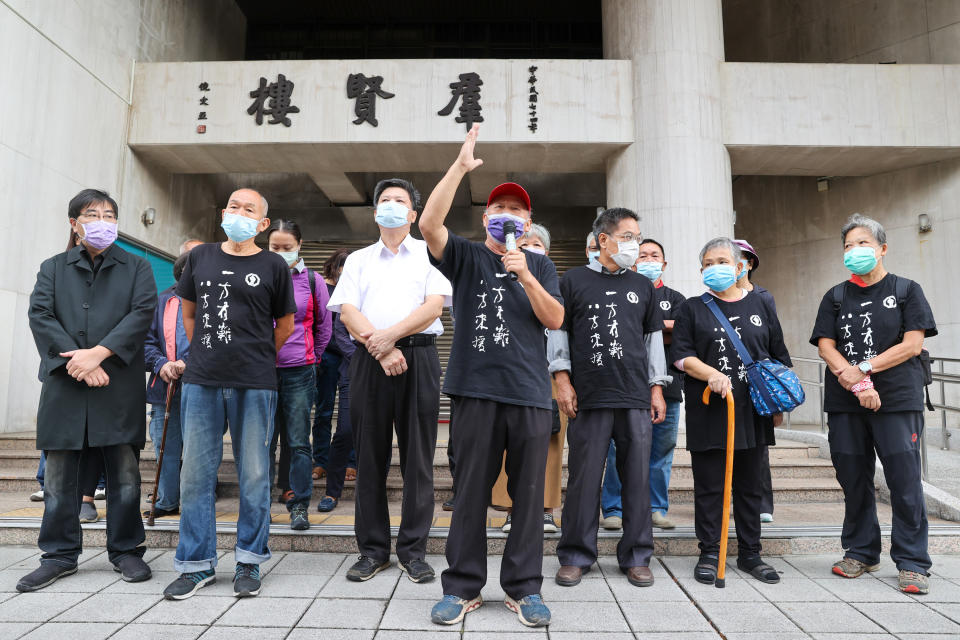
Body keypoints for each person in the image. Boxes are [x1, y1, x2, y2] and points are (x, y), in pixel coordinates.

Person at [420, 124, 563, 628]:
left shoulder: (541, 268)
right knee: (471, 493)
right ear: (487, 217)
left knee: (527, 499)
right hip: (474, 391)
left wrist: (524, 272)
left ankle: (524, 590)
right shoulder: (466, 256)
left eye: (517, 211)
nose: (508, 216)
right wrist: (460, 167)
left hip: (528, 394)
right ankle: (461, 588)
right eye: (500, 209)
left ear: (528, 223)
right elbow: (429, 225)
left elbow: (554, 319)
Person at [19, 189, 157, 592]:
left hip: (115, 382)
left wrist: (97, 355)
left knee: (125, 474)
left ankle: (127, 550)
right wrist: (76, 364)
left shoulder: (137, 267)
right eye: (92, 214)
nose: (102, 221)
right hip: (67, 384)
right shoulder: (53, 267)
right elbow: (40, 315)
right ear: (74, 222)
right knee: (59, 477)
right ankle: (59, 555)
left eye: (110, 214)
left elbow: (141, 314)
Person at [163, 188, 296, 600]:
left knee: (254, 475)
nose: (239, 213)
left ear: (262, 224)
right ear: (224, 213)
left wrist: (254, 355)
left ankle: (249, 561)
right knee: (195, 475)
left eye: (249, 209)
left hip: (255, 382)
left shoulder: (273, 264)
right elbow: (188, 311)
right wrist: (206, 352)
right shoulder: (201, 258)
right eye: (234, 206)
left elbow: (286, 324)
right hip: (202, 380)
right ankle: (196, 564)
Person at [328, 178, 452, 584]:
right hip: (369, 360)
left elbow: (434, 307)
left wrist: (391, 338)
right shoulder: (360, 259)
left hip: (418, 358)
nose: (391, 206)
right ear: (375, 211)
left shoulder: (431, 254)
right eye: (385, 200)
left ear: (414, 214)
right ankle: (372, 550)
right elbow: (347, 311)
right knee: (369, 458)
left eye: (400, 201)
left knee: (418, 460)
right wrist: (380, 347)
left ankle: (414, 551)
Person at [810, 213, 937, 595]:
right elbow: (825, 344)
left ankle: (913, 561)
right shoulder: (835, 296)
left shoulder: (906, 290)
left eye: (863, 243)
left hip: (897, 401)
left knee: (904, 481)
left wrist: (863, 368)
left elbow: (913, 344)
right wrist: (855, 379)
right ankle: (862, 551)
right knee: (853, 478)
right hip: (846, 402)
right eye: (848, 245)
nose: (855, 251)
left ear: (882, 248)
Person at [549, 208, 668, 588]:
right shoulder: (573, 282)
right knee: (584, 480)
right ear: (604, 240)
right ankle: (575, 555)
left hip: (634, 397)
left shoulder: (642, 286)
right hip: (589, 398)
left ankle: (636, 555)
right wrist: (562, 380)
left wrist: (657, 388)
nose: (635, 245)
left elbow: (652, 343)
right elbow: (558, 333)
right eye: (629, 237)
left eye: (637, 236)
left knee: (636, 479)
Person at [671, 237, 790, 586]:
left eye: (721, 261)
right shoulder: (692, 308)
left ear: (740, 267)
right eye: (707, 263)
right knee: (710, 485)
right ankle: (710, 551)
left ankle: (751, 553)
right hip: (709, 409)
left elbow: (778, 355)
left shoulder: (761, 304)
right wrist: (710, 374)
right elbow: (681, 355)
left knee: (750, 486)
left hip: (753, 410)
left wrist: (779, 401)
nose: (714, 268)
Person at [492, 223, 565, 534]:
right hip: (507, 372)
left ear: (545, 253)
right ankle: (511, 509)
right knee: (508, 443)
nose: (530, 250)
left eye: (537, 245)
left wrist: (564, 376)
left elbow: (562, 327)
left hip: (547, 370)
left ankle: (546, 509)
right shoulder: (500, 281)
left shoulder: (552, 283)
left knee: (550, 442)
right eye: (525, 244)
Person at [267, 220, 331, 529]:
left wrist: (312, 359)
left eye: (286, 248)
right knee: (262, 441)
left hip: (299, 371)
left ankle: (299, 504)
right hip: (260, 372)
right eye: (274, 248)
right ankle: (259, 505)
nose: (280, 253)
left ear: (300, 246)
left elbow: (324, 326)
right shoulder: (258, 275)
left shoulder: (313, 279)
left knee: (298, 442)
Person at [633, 238, 687, 530]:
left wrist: (650, 325)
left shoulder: (675, 298)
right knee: (620, 450)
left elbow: (682, 331)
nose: (648, 260)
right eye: (642, 256)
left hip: (669, 388)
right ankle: (615, 507)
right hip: (627, 387)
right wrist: (662, 326)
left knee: (662, 451)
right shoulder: (624, 291)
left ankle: (656, 507)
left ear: (664, 264)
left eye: (654, 256)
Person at [142, 252, 192, 519]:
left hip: (200, 384)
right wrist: (162, 363)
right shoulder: (162, 300)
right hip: (165, 386)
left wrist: (187, 362)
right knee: (165, 445)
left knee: (198, 448)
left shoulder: (213, 300)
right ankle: (167, 499)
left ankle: (194, 501)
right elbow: (146, 341)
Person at [734, 238, 776, 523]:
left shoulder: (763, 297)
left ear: (749, 264)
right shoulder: (714, 297)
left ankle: (761, 504)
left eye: (741, 259)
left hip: (757, 381)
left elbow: (773, 343)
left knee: (758, 448)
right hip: (726, 379)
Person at [312, 249, 351, 481]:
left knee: (351, 413)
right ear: (333, 267)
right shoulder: (323, 288)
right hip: (326, 357)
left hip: (349, 356)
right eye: (342, 268)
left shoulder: (355, 288)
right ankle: (321, 461)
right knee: (324, 411)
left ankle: (350, 461)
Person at [317, 303, 358, 513]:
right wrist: (365, 359)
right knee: (345, 431)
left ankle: (372, 496)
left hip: (386, 367)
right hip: (353, 369)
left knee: (381, 432)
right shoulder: (351, 287)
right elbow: (340, 332)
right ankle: (331, 493)